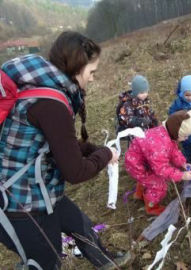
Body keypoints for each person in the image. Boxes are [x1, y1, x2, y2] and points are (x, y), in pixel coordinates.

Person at [0, 31, 129, 270]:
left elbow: (58, 143)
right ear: (77, 67)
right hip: (21, 202)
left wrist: (94, 149)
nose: (92, 79)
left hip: (41, 187)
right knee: (47, 262)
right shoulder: (51, 104)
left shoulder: (42, 86)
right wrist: (106, 155)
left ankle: (106, 262)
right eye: (92, 72)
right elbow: (75, 171)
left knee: (80, 226)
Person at [125, 110, 191, 216]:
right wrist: (181, 175)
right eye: (185, 136)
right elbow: (161, 170)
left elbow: (173, 150)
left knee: (147, 179)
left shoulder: (165, 133)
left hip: (142, 160)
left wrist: (183, 163)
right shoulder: (159, 146)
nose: (187, 139)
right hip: (139, 166)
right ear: (176, 132)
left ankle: (139, 193)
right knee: (159, 186)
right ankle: (151, 207)